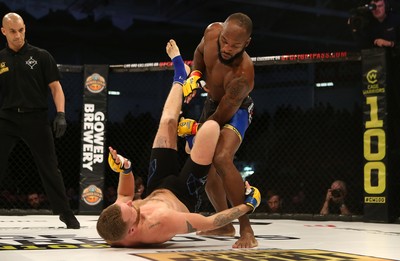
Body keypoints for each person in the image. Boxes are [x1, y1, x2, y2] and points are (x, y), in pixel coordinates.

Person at [96, 39, 261, 247]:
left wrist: (125, 169)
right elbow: (209, 222)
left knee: (168, 122)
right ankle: (192, 136)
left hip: (157, 185)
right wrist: (248, 205)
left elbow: (124, 194)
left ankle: (179, 76)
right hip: (184, 193)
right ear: (132, 230)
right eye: (130, 208)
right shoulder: (161, 222)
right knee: (209, 128)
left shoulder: (116, 225)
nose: (129, 203)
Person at [177, 12, 256, 248]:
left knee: (221, 158)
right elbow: (200, 53)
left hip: (236, 109)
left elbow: (220, 117)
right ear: (220, 33)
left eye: (236, 45)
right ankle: (224, 223)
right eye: (225, 41)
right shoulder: (212, 32)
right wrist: (196, 74)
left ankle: (246, 229)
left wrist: (195, 129)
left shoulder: (243, 74)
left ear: (247, 44)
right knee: (206, 168)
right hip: (212, 102)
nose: (228, 48)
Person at [0, 12, 79, 228]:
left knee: (50, 167)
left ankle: (66, 214)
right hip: (6, 119)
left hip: (36, 117)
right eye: (13, 31)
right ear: (4, 31)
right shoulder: (1, 59)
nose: (18, 35)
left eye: (21, 30)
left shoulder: (41, 56)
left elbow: (56, 87)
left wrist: (61, 114)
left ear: (25, 28)